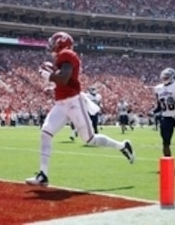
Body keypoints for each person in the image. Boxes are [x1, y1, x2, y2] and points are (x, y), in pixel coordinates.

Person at [25, 31, 135, 186]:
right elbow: (64, 80)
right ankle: (43, 175)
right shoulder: (62, 57)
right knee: (45, 133)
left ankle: (123, 146)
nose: (51, 44)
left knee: (90, 139)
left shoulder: (68, 54)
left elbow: (64, 78)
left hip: (74, 103)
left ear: (61, 42)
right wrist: (53, 85)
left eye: (54, 41)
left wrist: (48, 75)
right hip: (61, 104)